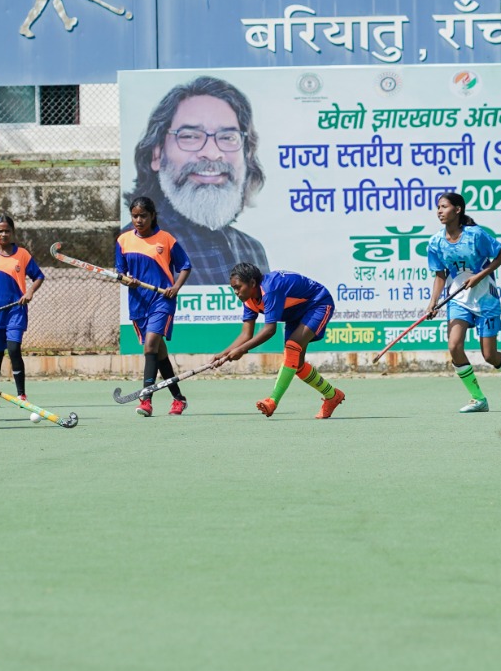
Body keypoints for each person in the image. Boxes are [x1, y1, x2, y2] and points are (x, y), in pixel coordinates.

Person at [127, 76, 269, 283]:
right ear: (156, 154)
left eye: (228, 137)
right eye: (190, 136)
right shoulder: (138, 245)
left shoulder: (253, 250)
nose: (212, 153)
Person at [421, 191, 501, 413]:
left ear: (458, 210)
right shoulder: (436, 242)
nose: (439, 211)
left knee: (489, 355)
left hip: (486, 299)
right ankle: (477, 398)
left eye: (444, 206)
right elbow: (439, 274)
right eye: (438, 207)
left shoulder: (475, 235)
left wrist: (480, 275)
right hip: (458, 300)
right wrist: (433, 303)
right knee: (454, 346)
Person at [214, 262, 344, 420]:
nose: (236, 292)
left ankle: (272, 401)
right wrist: (223, 354)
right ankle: (332, 395)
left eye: (238, 287)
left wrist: (241, 350)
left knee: (292, 348)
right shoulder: (248, 299)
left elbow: (269, 330)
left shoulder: (270, 289)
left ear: (252, 283)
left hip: (318, 303)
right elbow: (245, 335)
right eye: (233, 288)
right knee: (297, 365)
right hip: (294, 314)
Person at [115, 195, 193, 417]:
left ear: (152, 216)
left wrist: (176, 287)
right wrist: (124, 279)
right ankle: (178, 398)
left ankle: (146, 399)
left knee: (150, 346)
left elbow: (185, 266)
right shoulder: (123, 241)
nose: (138, 220)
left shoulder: (166, 239)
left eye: (143, 216)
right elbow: (119, 272)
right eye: (134, 216)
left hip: (162, 300)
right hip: (138, 302)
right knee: (159, 354)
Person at [0, 214, 45, 409]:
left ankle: (21, 395)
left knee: (14, 349)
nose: (4, 234)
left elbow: (39, 276)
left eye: (7, 230)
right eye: (0, 231)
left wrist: (30, 291)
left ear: (12, 232)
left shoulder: (22, 255)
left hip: (16, 310)